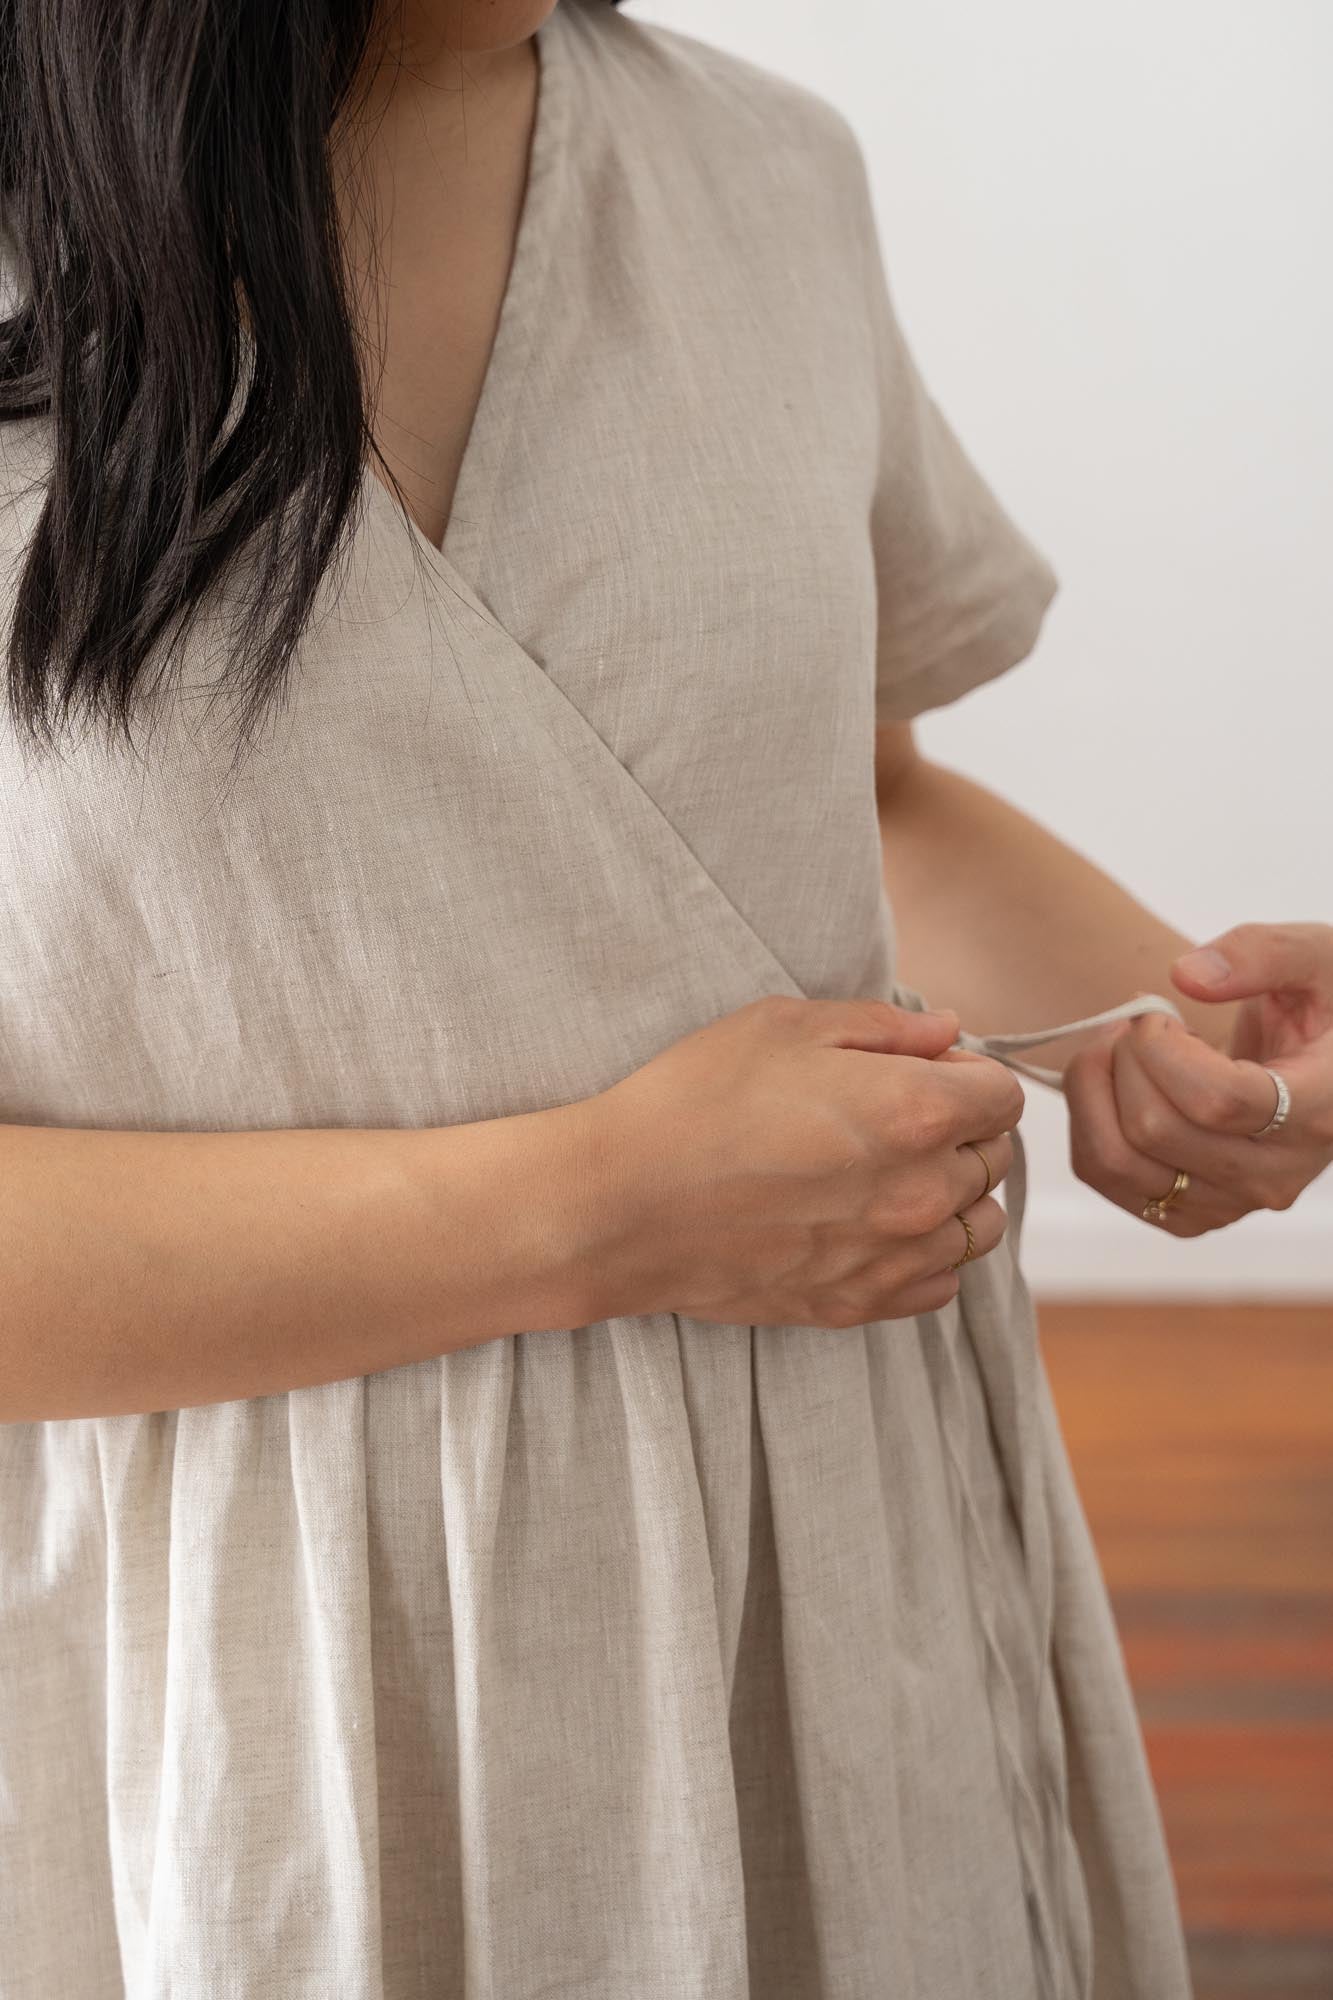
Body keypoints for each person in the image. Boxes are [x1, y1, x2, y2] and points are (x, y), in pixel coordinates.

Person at [0, 1, 1329, 1994]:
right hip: (225, 1694)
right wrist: (602, 1209)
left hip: (827, 1592)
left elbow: (849, 793)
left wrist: (1176, 1016)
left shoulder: (760, 176)